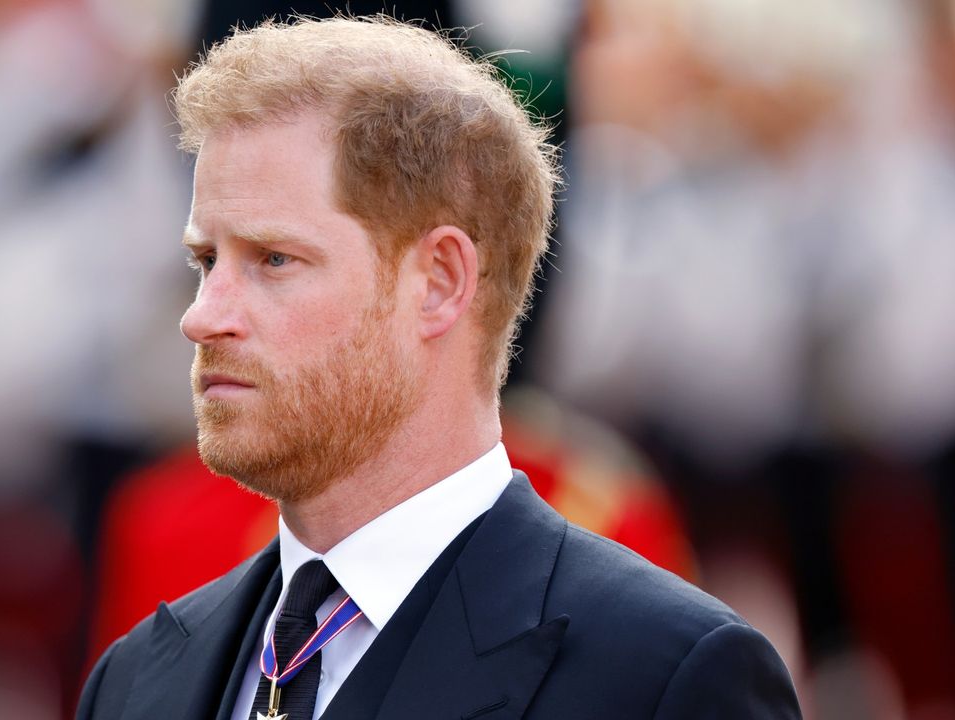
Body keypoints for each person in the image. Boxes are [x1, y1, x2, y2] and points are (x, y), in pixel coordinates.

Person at [77, 15, 800, 720]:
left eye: (274, 259)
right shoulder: (136, 678)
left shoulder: (664, 677)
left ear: (441, 281)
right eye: (205, 261)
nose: (202, 315)